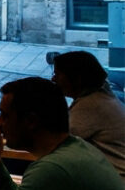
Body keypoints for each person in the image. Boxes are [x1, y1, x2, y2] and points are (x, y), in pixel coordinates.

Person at [52, 50, 125, 181]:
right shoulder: (102, 96)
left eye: (57, 74)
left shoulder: (92, 105)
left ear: (76, 78)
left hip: (114, 184)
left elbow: (56, 143)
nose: (53, 79)